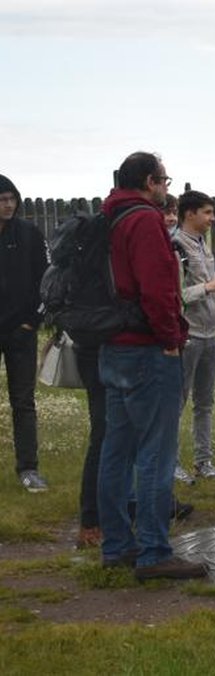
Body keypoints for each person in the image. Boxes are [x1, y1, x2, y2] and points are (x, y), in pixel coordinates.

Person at [97, 152, 206, 580]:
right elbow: (159, 290)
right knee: (155, 455)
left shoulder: (109, 215)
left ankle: (117, 545)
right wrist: (172, 340)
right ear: (149, 181)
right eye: (164, 180)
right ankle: (155, 551)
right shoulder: (144, 221)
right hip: (147, 348)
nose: (168, 188)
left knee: (116, 452)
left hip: (113, 346)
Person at [173, 191, 215, 483]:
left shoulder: (204, 246)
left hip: (211, 335)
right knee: (178, 402)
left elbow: (211, 293)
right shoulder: (175, 246)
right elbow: (175, 297)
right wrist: (208, 288)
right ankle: (171, 463)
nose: (213, 218)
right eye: (208, 213)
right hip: (188, 336)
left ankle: (203, 461)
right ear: (190, 214)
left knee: (205, 402)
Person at [0, 175, 49, 492]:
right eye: (1, 199)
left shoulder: (29, 234)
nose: (7, 205)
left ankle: (28, 468)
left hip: (21, 331)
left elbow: (47, 280)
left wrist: (32, 321)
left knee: (23, 401)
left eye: (11, 198)